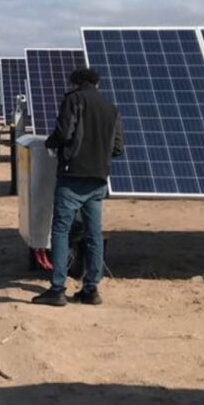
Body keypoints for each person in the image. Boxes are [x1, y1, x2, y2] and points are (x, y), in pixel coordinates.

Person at [31, 67, 123, 307]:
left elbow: (63, 133)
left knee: (61, 230)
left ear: (76, 83)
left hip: (73, 176)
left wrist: (50, 145)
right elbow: (117, 148)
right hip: (99, 179)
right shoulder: (110, 108)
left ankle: (57, 288)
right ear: (97, 84)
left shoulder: (73, 100)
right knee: (94, 234)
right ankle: (91, 289)